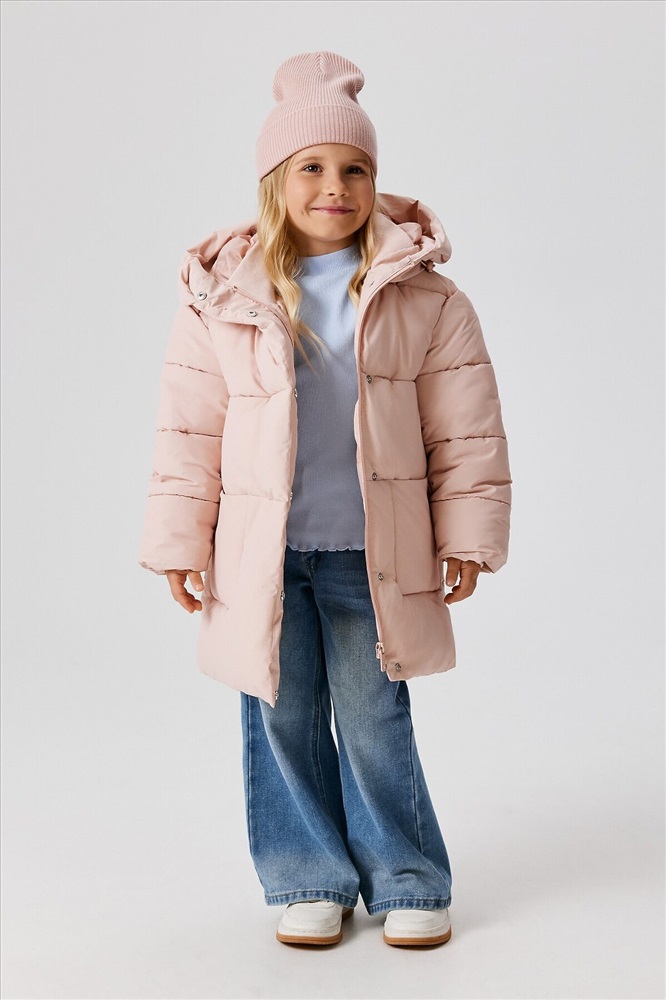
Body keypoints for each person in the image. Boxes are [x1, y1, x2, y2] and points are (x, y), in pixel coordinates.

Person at [138, 50, 512, 949]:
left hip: (369, 554)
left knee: (377, 719)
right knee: (281, 714)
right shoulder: (223, 298)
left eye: (355, 169)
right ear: (275, 179)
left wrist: (467, 537)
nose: (334, 187)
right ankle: (306, 874)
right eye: (311, 166)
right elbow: (189, 429)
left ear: (375, 182)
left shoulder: (425, 298)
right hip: (261, 557)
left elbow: (464, 430)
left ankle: (408, 879)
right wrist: (181, 542)